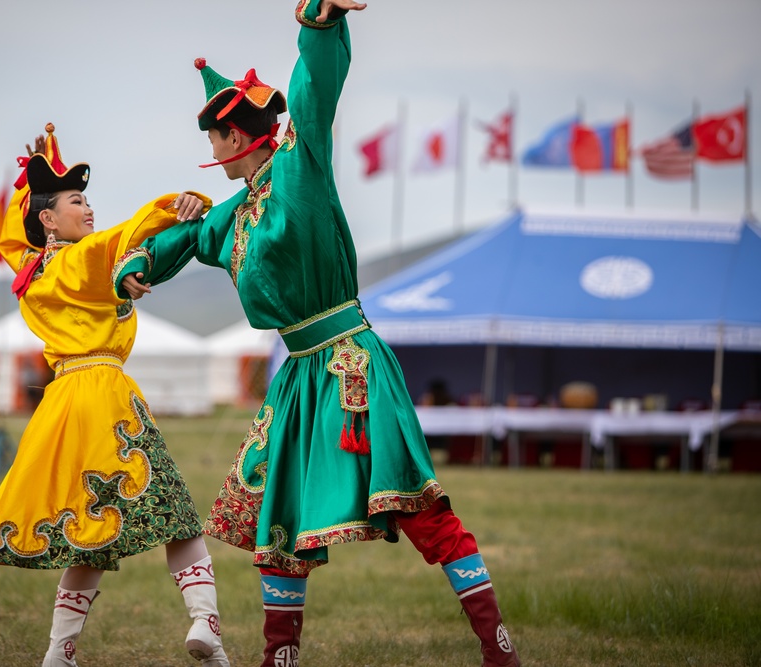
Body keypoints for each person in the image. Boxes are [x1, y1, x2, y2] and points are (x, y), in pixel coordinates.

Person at [116, 3, 520, 666]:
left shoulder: (300, 167)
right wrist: (137, 265)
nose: (210, 149)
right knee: (282, 519)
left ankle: (497, 646)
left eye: (213, 136)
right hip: (299, 376)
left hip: (350, 360)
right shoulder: (230, 216)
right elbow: (182, 239)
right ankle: (280, 657)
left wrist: (321, 23)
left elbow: (312, 89)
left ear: (234, 134)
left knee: (417, 502)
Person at [0, 124, 230, 667]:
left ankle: (58, 653)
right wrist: (176, 205)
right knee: (177, 515)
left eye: (88, 199)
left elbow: (10, 237)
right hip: (105, 395)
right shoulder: (78, 262)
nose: (88, 208)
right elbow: (120, 240)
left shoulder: (30, 271)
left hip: (63, 404)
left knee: (87, 530)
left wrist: (31, 180)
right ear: (49, 218)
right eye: (76, 201)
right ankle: (204, 623)